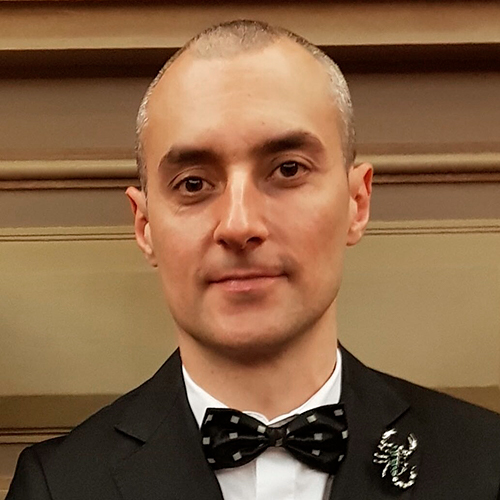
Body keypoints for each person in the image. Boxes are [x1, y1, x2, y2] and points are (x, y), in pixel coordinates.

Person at [7, 20, 500, 500]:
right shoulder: (57, 486)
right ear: (145, 226)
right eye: (193, 183)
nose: (239, 225)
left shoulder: (486, 462)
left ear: (357, 202)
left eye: (288, 170)